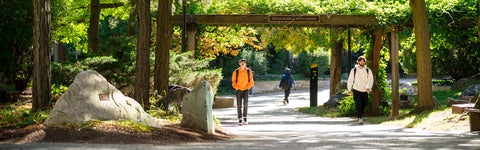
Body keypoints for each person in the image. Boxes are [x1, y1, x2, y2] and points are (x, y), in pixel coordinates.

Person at [347, 56, 374, 125]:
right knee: (358, 104)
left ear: (365, 62)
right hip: (356, 89)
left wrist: (369, 87)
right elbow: (350, 80)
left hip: (365, 90)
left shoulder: (368, 70)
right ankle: (360, 117)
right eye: (360, 61)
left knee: (364, 103)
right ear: (358, 61)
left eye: (363, 61)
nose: (362, 62)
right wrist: (349, 89)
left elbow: (370, 80)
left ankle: (360, 115)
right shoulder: (354, 70)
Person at [232, 59, 254, 126]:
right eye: (241, 63)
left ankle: (245, 117)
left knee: (246, 104)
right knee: (239, 105)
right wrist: (237, 87)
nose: (243, 64)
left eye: (244, 63)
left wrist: (248, 87)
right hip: (238, 90)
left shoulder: (248, 71)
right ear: (239, 64)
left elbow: (251, 81)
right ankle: (240, 119)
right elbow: (233, 81)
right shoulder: (236, 71)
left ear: (246, 64)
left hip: (246, 90)